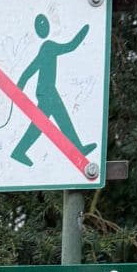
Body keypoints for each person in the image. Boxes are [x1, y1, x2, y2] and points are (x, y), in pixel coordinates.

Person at [11, 14, 96, 166]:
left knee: (47, 122)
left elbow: (30, 69)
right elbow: (70, 46)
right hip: (47, 92)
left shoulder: (46, 48)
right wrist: (84, 31)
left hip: (47, 91)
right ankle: (19, 151)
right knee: (50, 122)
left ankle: (20, 151)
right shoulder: (49, 46)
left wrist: (21, 84)